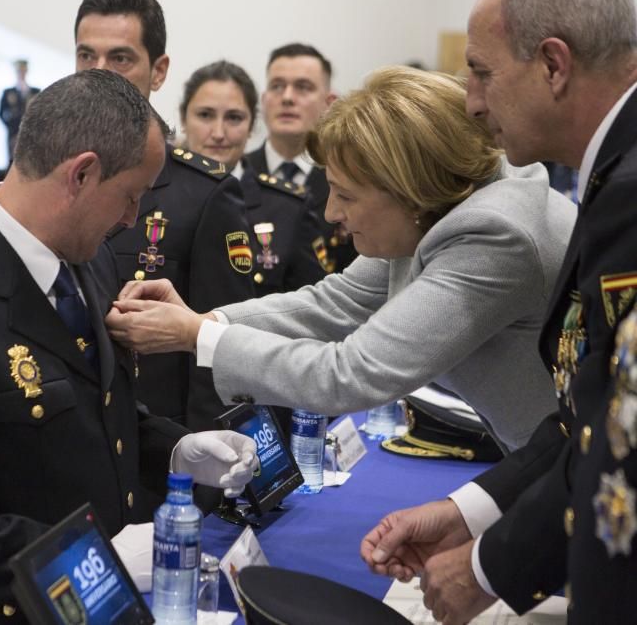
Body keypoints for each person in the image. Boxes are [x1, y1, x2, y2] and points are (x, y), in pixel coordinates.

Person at [0, 69, 257, 624]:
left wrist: (173, 449)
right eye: (130, 196)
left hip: (95, 605)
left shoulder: (83, 258)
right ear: (81, 174)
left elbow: (99, 407)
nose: (131, 220)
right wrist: (100, 559)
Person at [359, 0, 637, 622]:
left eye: (481, 71)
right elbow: (591, 412)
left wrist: (490, 565)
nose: (471, 101)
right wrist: (468, 513)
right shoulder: (613, 177)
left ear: (552, 65)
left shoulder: (630, 195)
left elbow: (621, 442)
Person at [107, 65, 575, 454]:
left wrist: (196, 337)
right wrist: (204, 319)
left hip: (574, 466)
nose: (332, 213)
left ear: (409, 191)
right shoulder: (442, 205)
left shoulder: (494, 234)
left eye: (345, 195)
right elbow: (338, 302)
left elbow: (350, 373)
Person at [75, 0, 256, 431]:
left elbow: (222, 345)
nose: (99, 72)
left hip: (160, 445)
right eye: (85, 56)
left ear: (158, 72)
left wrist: (204, 474)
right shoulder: (50, 176)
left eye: (120, 58)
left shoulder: (204, 194)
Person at [179, 60, 326, 298]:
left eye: (234, 118)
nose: (218, 133)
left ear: (251, 126)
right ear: (184, 120)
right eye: (205, 115)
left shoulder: (289, 208)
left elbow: (313, 307)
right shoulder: (148, 194)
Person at [244, 43, 357, 273]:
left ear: (330, 103)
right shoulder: (238, 175)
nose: (287, 97)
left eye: (303, 87)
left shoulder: (353, 180)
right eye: (277, 86)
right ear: (264, 100)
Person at [0, 59, 39, 162]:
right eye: (19, 71)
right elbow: (1, 113)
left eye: (23, 70)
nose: (21, 73)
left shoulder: (35, 91)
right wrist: (10, 126)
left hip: (30, 132)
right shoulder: (8, 92)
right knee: (12, 158)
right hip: (13, 132)